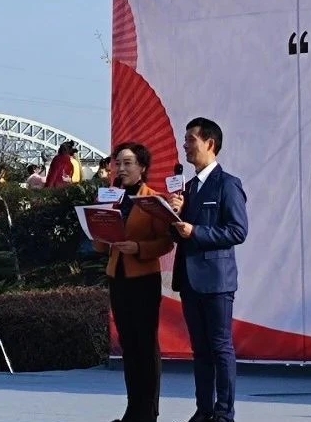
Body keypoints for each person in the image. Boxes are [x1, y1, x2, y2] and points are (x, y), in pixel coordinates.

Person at [168, 118, 248, 422]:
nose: (185, 145)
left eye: (191, 140)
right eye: (185, 139)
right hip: (189, 279)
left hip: (216, 280)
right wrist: (174, 215)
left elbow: (237, 231)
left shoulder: (227, 184)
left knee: (220, 347)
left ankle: (224, 413)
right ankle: (204, 410)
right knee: (199, 350)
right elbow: (179, 234)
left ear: (210, 144)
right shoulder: (187, 188)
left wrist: (196, 231)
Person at [94, 143, 175, 422]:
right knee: (128, 345)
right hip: (117, 276)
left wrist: (138, 248)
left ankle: (148, 412)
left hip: (144, 278)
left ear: (142, 167)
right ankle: (133, 409)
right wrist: (98, 227)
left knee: (145, 344)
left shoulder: (153, 200)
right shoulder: (111, 197)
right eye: (118, 163)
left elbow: (166, 242)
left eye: (128, 163)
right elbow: (100, 245)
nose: (121, 168)